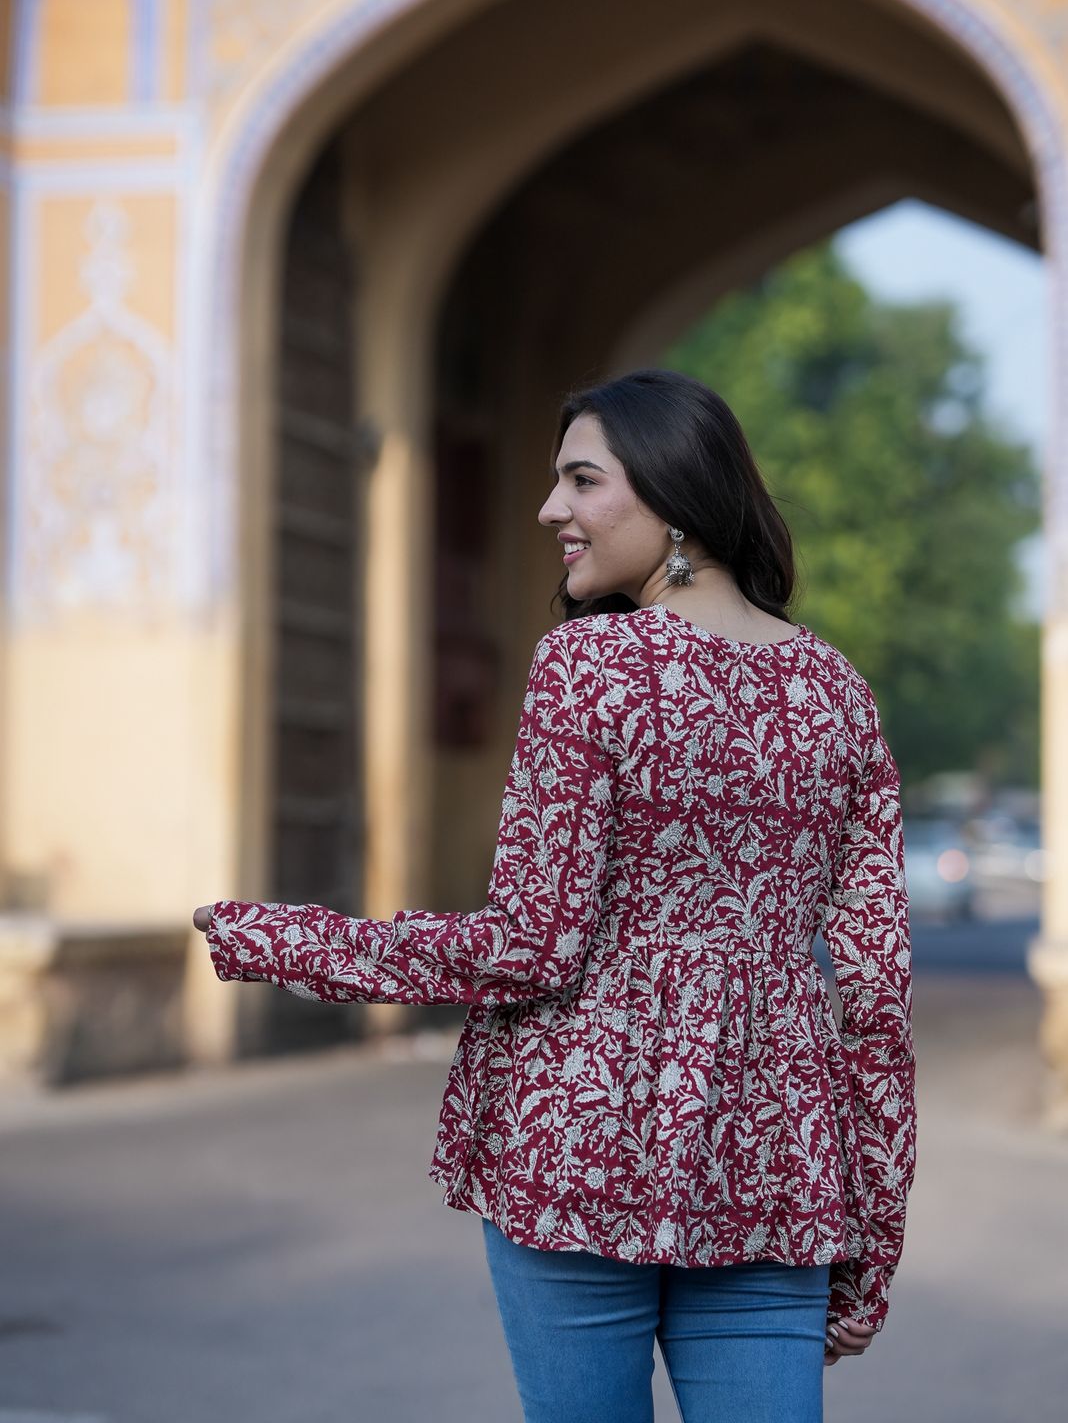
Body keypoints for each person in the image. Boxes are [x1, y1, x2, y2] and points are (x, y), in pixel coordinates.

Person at [193, 368, 916, 1423]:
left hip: (579, 1140)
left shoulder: (591, 666)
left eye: (582, 481)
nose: (551, 511)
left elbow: (529, 943)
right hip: (775, 1162)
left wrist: (288, 940)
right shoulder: (835, 689)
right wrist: (872, 1237)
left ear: (671, 495)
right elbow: (877, 998)